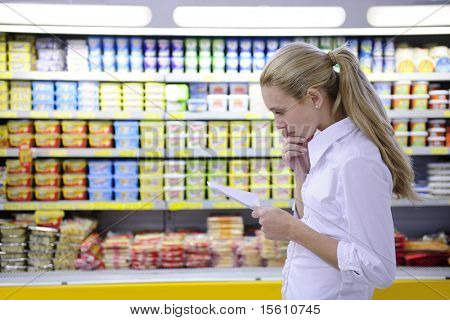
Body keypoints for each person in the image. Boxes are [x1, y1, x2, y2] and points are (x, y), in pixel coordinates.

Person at [251, 42, 419, 300]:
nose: (278, 125)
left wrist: (292, 230)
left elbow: (379, 269)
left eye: (280, 112)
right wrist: (301, 171)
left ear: (315, 98)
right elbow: (320, 222)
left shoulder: (356, 160)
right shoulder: (325, 148)